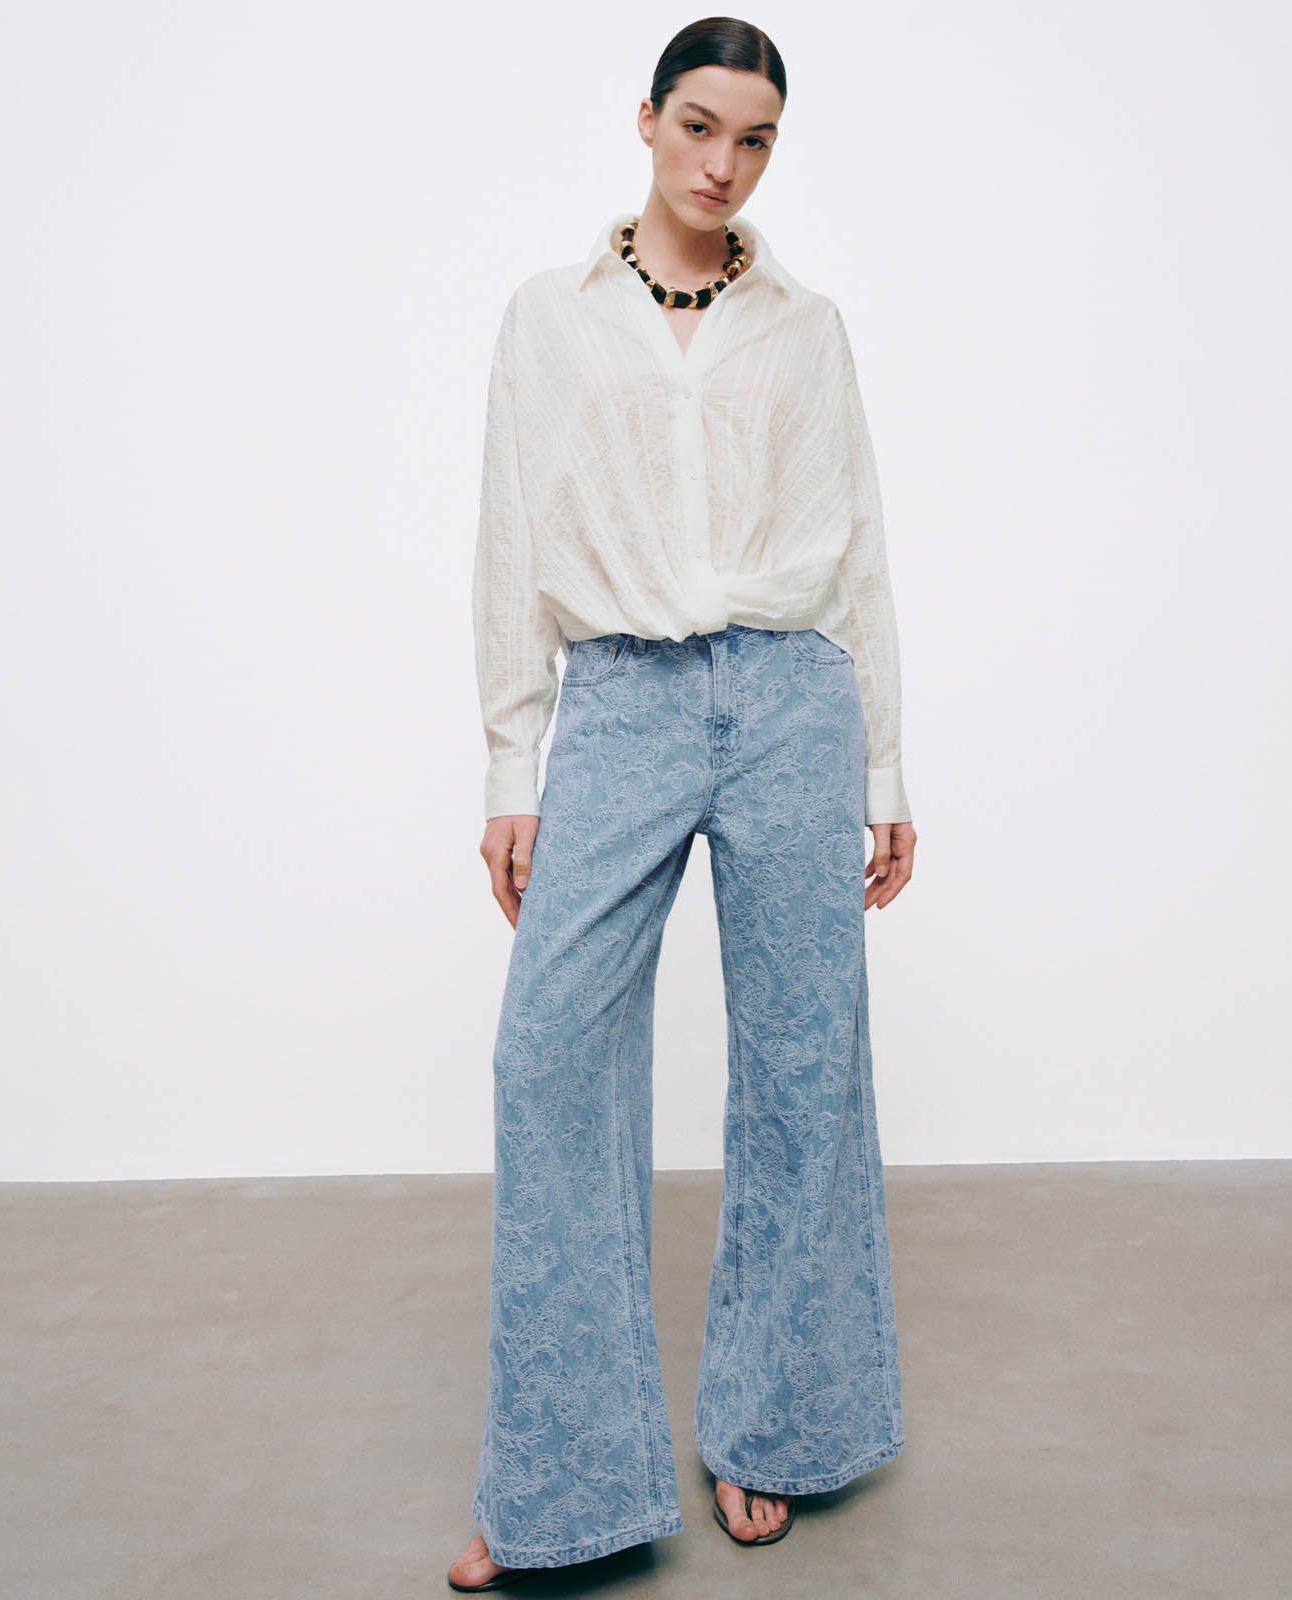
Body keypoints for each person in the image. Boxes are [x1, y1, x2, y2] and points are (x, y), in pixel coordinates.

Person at [450, 16, 917, 1592]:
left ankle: (776, 1426)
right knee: (547, 1059)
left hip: (792, 699)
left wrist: (884, 766)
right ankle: (559, 1483)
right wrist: (512, 761)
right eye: (701, 127)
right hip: (623, 702)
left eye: (756, 139)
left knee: (803, 1067)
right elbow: (513, 539)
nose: (724, 165)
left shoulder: (806, 326)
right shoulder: (551, 318)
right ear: (647, 120)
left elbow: (859, 550)